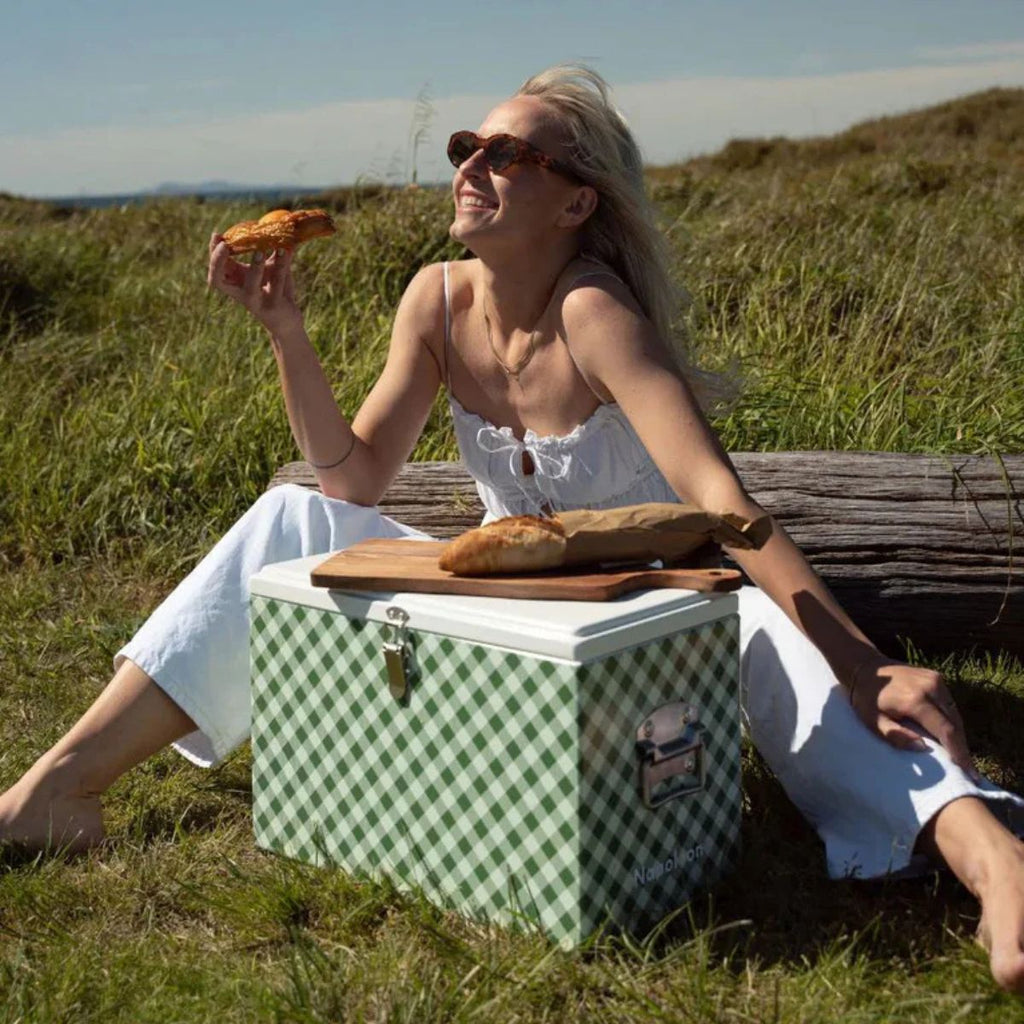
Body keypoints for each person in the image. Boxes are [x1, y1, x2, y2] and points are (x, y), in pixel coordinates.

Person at [1, 63, 1023, 993]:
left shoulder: (594, 312)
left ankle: (991, 858)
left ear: (577, 201)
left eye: (507, 154)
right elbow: (352, 475)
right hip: (508, 598)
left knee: (773, 647)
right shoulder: (434, 301)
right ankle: (59, 788)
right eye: (465, 148)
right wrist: (287, 333)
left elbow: (713, 490)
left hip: (655, 594)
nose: (472, 167)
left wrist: (854, 655)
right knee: (289, 516)